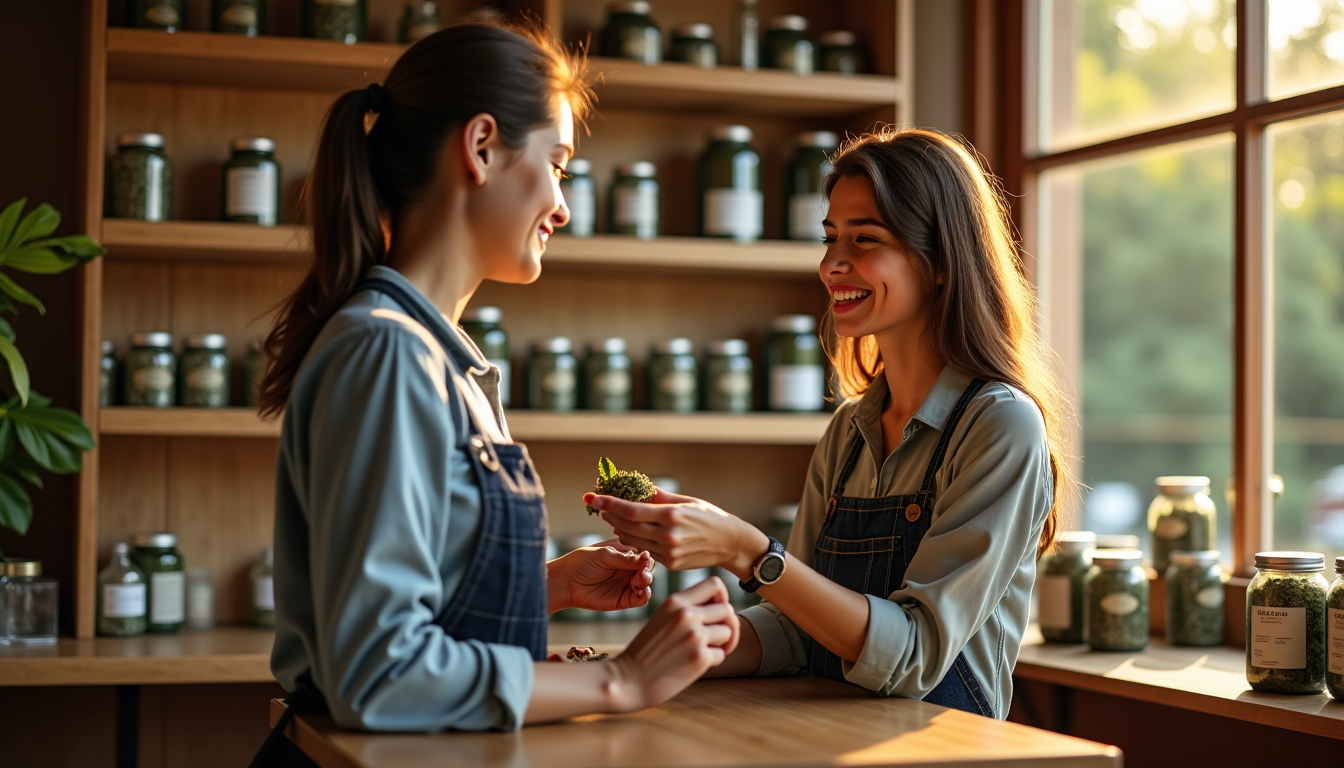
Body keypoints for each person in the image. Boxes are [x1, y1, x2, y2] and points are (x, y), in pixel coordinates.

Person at [256, 21, 740, 745]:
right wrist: (622, 679)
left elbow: (413, 609)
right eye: (558, 165)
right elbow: (379, 676)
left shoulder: (437, 357)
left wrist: (541, 588)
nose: (563, 206)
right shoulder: (388, 355)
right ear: (481, 147)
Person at [592, 128, 1073, 720]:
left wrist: (750, 553)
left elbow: (916, 655)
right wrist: (652, 661)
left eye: (864, 240)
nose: (831, 266)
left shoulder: (1000, 425)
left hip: (940, 752)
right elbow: (798, 627)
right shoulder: (851, 430)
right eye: (829, 239)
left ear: (943, 262)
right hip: (824, 731)